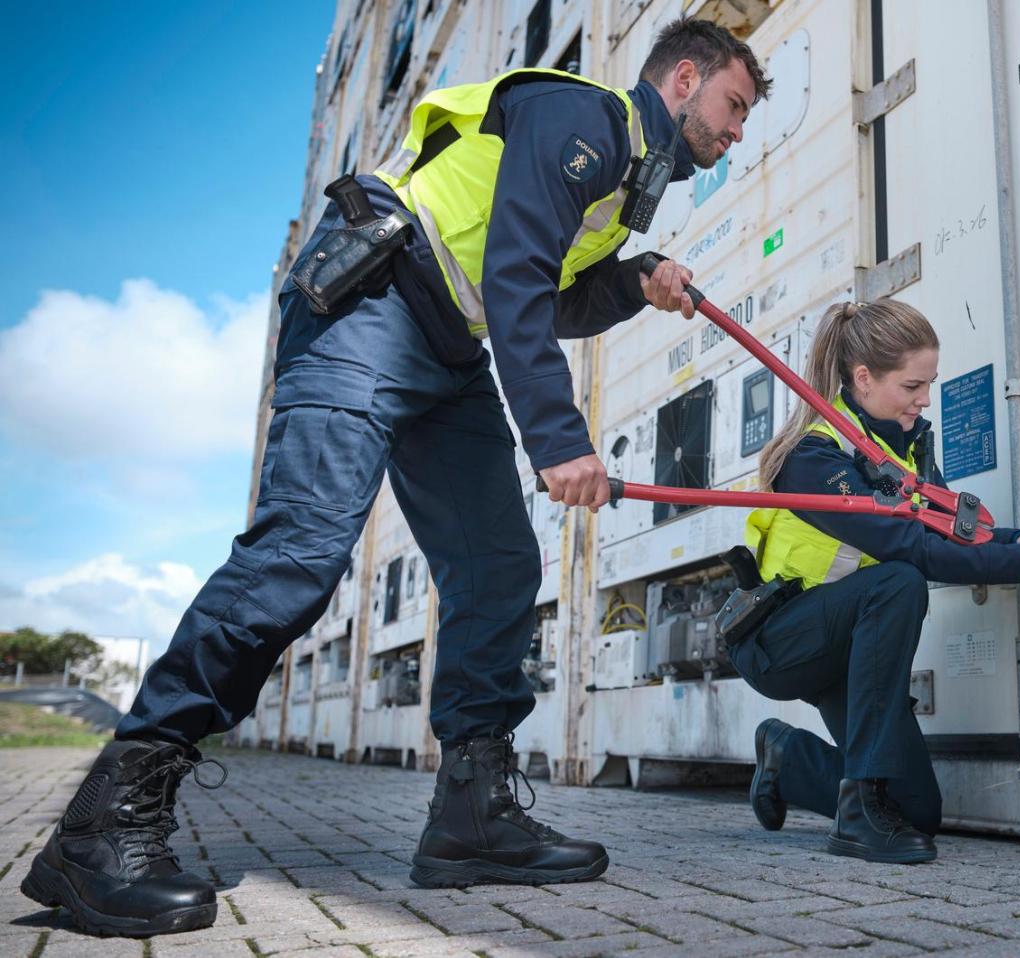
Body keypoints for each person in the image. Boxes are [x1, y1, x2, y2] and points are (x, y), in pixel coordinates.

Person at [20, 18, 770, 938]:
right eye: (734, 107)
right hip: (371, 301)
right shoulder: (588, 119)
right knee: (303, 554)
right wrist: (558, 439)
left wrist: (636, 274)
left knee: (499, 569)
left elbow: (558, 294)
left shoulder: (622, 187)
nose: (737, 133)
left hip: (445, 344)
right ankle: (103, 823)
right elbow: (519, 271)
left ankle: (470, 819)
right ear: (685, 78)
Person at [732, 300, 1020, 864]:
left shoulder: (900, 448)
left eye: (930, 384)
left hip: (846, 643)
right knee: (899, 581)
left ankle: (789, 760)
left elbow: (948, 532)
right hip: (780, 642)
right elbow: (914, 550)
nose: (925, 399)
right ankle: (858, 817)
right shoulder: (813, 456)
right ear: (863, 379)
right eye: (913, 385)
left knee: (917, 812)